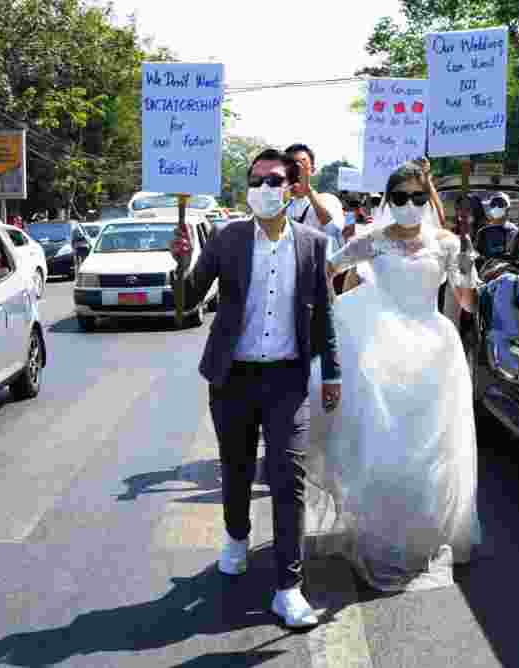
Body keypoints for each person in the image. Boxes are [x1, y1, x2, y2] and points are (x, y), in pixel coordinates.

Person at [169, 148, 341, 629]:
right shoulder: (226, 238)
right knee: (237, 467)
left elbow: (324, 315)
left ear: (291, 188)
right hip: (233, 379)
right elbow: (187, 302)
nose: (266, 188)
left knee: (288, 479)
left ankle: (289, 587)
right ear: (247, 188)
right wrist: (178, 262)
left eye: (275, 180)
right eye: (257, 180)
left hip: (287, 379)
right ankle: (237, 535)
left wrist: (332, 372)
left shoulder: (311, 244)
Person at [303, 160, 484, 592]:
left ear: (427, 199)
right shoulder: (373, 241)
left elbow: (468, 302)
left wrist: (465, 263)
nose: (408, 205)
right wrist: (338, 316)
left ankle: (420, 533)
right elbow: (325, 270)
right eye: (399, 197)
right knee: (382, 445)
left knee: (428, 450)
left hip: (433, 353)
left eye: (417, 197)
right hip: (379, 352)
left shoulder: (446, 243)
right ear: (388, 201)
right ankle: (379, 533)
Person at [284, 144, 347, 291]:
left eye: (302, 166)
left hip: (320, 284)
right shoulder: (281, 204)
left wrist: (308, 192)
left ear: (312, 170)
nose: (297, 172)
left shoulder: (327, 199)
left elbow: (334, 229)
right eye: (291, 167)